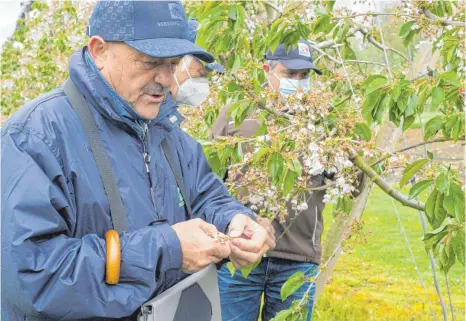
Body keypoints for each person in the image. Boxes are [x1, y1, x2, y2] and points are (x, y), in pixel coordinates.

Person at [1, 1, 274, 320]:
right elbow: (31, 276)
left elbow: (206, 197)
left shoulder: (170, 134)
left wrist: (233, 222)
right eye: (150, 62)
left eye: (173, 63)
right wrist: (167, 249)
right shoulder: (35, 137)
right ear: (99, 50)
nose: (166, 79)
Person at [212, 40, 326, 321]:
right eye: (290, 74)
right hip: (239, 255)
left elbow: (350, 186)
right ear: (267, 70)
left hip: (297, 259)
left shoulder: (323, 120)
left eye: (305, 76)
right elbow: (209, 182)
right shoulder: (238, 113)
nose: (298, 83)